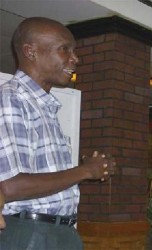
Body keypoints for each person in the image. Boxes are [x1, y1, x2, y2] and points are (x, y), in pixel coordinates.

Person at [0, 17, 115, 250]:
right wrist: (85, 171)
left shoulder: (45, 107)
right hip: (31, 235)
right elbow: (10, 187)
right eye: (64, 49)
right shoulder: (11, 98)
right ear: (30, 52)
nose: (75, 58)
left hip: (58, 232)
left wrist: (88, 170)